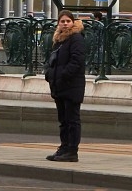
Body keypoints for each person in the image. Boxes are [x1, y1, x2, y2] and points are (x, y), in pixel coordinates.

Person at [45, 10, 86, 162]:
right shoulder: (59, 40)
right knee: (63, 120)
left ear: (73, 22)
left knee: (72, 120)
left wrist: (63, 75)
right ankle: (64, 147)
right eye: (62, 21)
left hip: (71, 85)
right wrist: (49, 74)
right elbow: (52, 61)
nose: (65, 24)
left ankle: (72, 150)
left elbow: (77, 61)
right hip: (59, 86)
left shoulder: (76, 38)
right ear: (58, 23)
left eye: (68, 21)